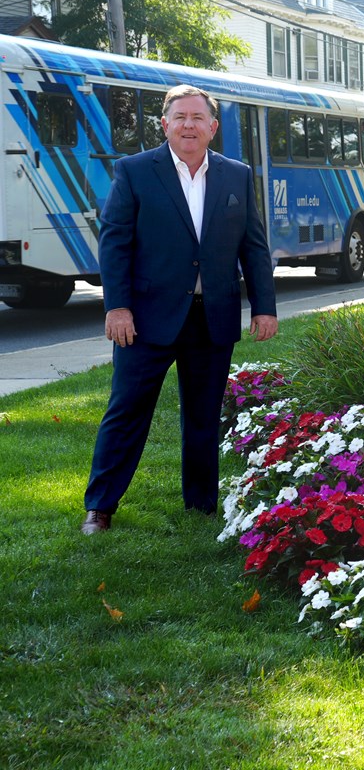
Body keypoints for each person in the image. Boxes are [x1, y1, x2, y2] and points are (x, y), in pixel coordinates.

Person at [81, 84, 277, 534]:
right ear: (164, 124)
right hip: (145, 319)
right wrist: (118, 308)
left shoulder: (236, 175)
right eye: (180, 117)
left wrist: (263, 307)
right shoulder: (134, 171)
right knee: (127, 409)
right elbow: (115, 243)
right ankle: (100, 507)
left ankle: (202, 505)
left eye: (197, 118)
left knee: (205, 416)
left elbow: (254, 246)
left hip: (214, 315)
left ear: (212, 127)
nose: (189, 125)